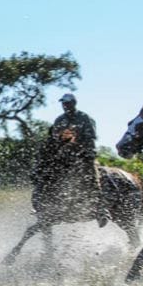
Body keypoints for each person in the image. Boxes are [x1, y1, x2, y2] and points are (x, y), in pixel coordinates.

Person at [49, 92, 107, 226]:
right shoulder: (59, 120)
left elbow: (91, 136)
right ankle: (47, 207)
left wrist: (76, 141)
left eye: (67, 103)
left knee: (91, 176)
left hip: (84, 155)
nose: (65, 105)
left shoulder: (84, 118)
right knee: (48, 172)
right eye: (63, 103)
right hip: (64, 156)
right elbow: (54, 138)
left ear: (73, 104)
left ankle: (101, 210)